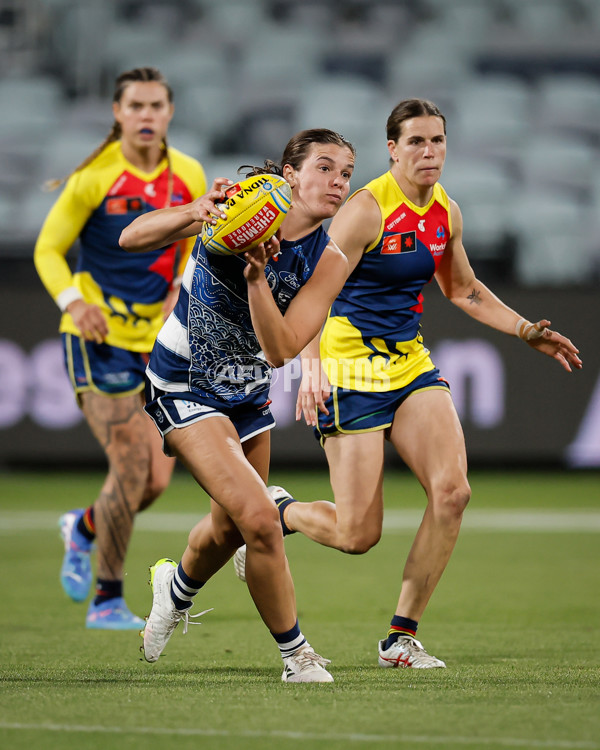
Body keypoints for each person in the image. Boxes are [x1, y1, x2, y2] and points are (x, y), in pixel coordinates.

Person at [233, 98, 582, 669]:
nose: (429, 152)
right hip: (350, 368)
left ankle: (400, 637)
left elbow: (462, 288)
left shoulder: (446, 211)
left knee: (453, 492)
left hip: (410, 365)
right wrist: (311, 365)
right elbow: (311, 292)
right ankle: (280, 511)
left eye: (437, 141)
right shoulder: (365, 210)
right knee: (356, 534)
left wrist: (523, 329)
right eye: (416, 142)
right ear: (392, 149)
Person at [119, 128, 355, 682]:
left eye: (345, 173)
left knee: (228, 531)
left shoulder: (329, 258)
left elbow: (278, 351)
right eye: (324, 168)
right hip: (183, 382)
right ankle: (296, 656)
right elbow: (131, 237)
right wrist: (193, 211)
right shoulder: (241, 203)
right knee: (261, 521)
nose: (337, 182)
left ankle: (172, 590)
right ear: (290, 174)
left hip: (247, 390)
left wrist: (255, 276)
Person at [33, 67, 207, 629]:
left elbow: (191, 237)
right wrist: (72, 303)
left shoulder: (189, 173)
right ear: (117, 112)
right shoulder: (95, 177)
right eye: (136, 105)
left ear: (170, 112)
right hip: (98, 339)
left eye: (157, 105)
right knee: (133, 466)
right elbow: (48, 250)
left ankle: (81, 528)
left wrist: (177, 291)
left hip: (154, 344)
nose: (147, 115)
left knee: (153, 480)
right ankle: (108, 599)